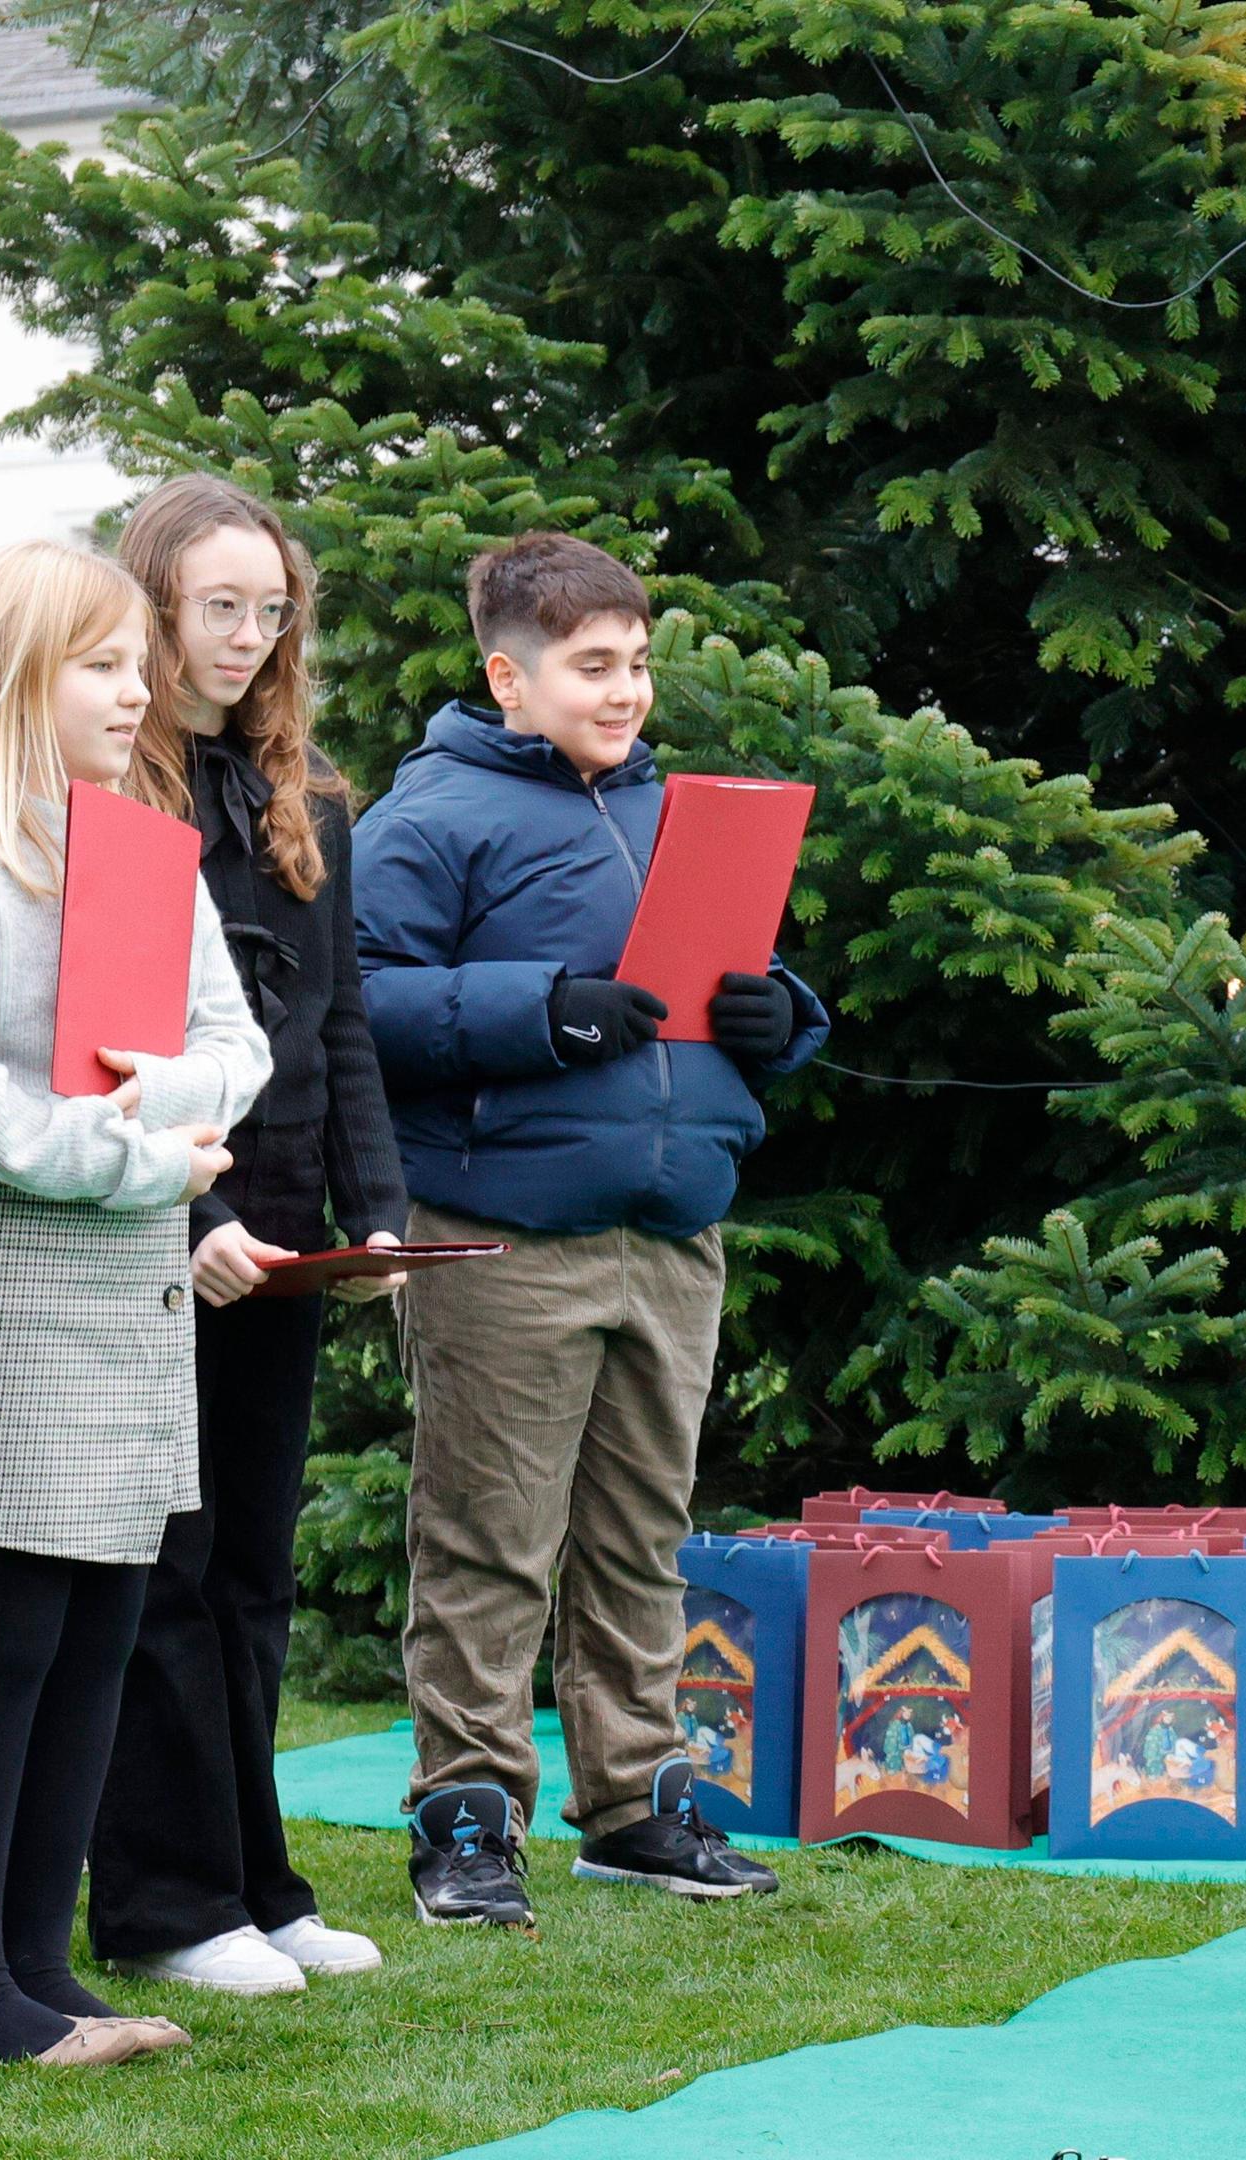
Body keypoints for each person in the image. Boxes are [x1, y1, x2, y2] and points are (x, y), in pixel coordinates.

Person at [354, 532, 827, 1928]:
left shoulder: (681, 811)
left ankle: (635, 1805)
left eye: (638, 666)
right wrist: (535, 1012)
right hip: (505, 1232)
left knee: (641, 1534)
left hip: (673, 1230)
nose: (626, 694)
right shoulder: (428, 821)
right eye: (593, 667)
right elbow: (359, 1007)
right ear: (509, 674)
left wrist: (782, 1018)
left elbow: (736, 977)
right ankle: (469, 1817)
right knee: (491, 1536)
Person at [0, 539, 273, 2068]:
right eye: (103, 662)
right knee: (8, 1636)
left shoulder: (136, 850)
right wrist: (136, 1160)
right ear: (15, 678)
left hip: (123, 1293)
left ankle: (38, 1968)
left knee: (103, 1623)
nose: (141, 686)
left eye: (135, 660)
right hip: (6, 1284)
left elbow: (233, 1043)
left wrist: (156, 1103)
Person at [84, 476, 409, 1998]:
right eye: (220, 605)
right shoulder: (115, 796)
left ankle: (258, 1878)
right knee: (168, 1569)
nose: (249, 634)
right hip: (153, 1222)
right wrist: (193, 1209)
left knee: (254, 1576)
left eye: (271, 608)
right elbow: (110, 1041)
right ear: (152, 608)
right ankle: (165, 1900)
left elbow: (338, 1023)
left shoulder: (306, 793)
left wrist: (383, 1211)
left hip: (283, 1233)